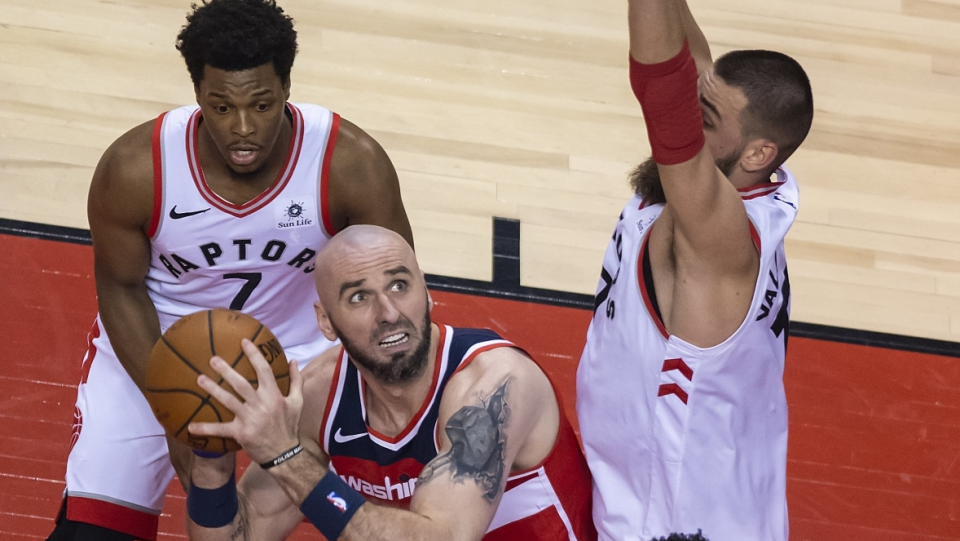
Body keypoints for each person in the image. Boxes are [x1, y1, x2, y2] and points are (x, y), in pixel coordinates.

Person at [48, 1, 413, 539]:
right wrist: (165, 399)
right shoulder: (135, 169)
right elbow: (121, 291)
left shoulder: (349, 163)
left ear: (287, 87)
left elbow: (396, 290)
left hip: (305, 356)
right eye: (221, 108)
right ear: (196, 93)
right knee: (91, 534)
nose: (243, 128)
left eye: (262, 105)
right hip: (159, 350)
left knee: (395, 516)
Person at [182, 225, 596, 541]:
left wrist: (285, 457)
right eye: (358, 297)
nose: (389, 312)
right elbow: (242, 532)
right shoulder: (319, 397)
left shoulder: (495, 386)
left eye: (399, 286)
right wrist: (211, 462)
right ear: (326, 321)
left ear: (428, 292)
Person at [575, 0, 813, 539]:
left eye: (701, 119)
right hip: (719, 483)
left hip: (674, 516)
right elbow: (686, 70)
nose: (687, 116)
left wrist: (675, 102)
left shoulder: (714, 237)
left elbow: (662, 92)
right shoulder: (748, 170)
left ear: (758, 153)